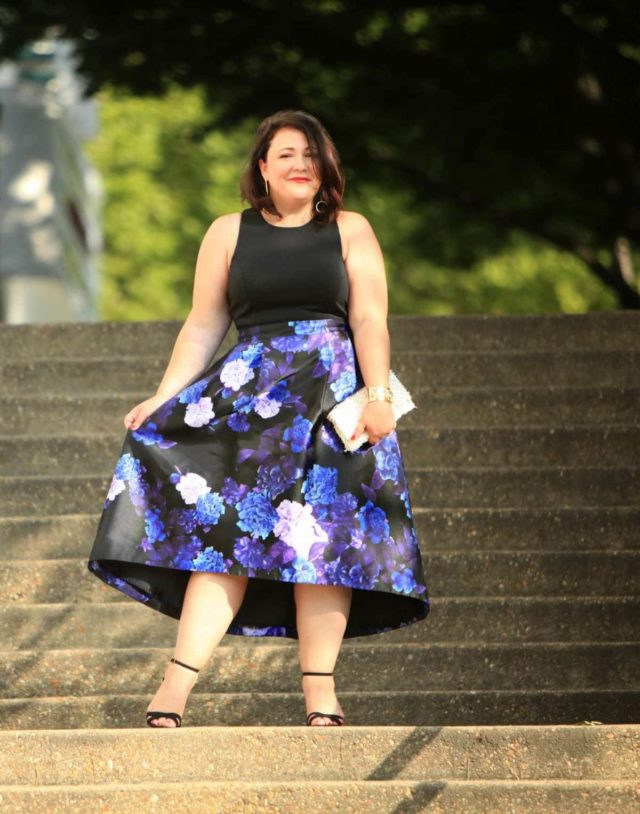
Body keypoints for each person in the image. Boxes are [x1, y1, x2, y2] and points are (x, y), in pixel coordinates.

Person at [87, 109, 430, 728]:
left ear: (326, 168)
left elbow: (370, 318)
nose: (300, 164)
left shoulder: (351, 229)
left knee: (325, 542)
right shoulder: (228, 232)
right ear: (262, 170)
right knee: (225, 545)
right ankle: (175, 687)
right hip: (251, 404)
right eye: (285, 155)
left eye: (310, 154)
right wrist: (165, 396)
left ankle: (320, 694)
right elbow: (203, 325)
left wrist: (378, 395)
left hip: (333, 401)